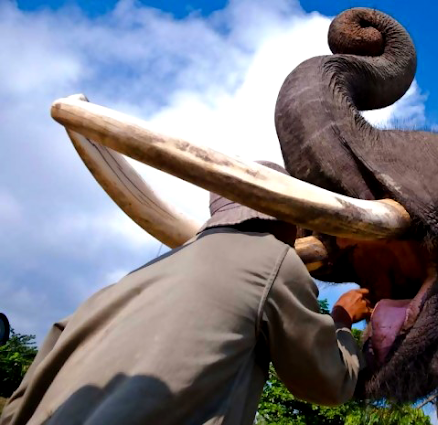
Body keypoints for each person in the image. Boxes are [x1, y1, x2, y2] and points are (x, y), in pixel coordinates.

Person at [0, 161, 372, 425]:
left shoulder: (118, 288)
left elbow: (17, 406)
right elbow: (327, 382)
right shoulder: (273, 261)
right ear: (289, 218)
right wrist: (340, 320)